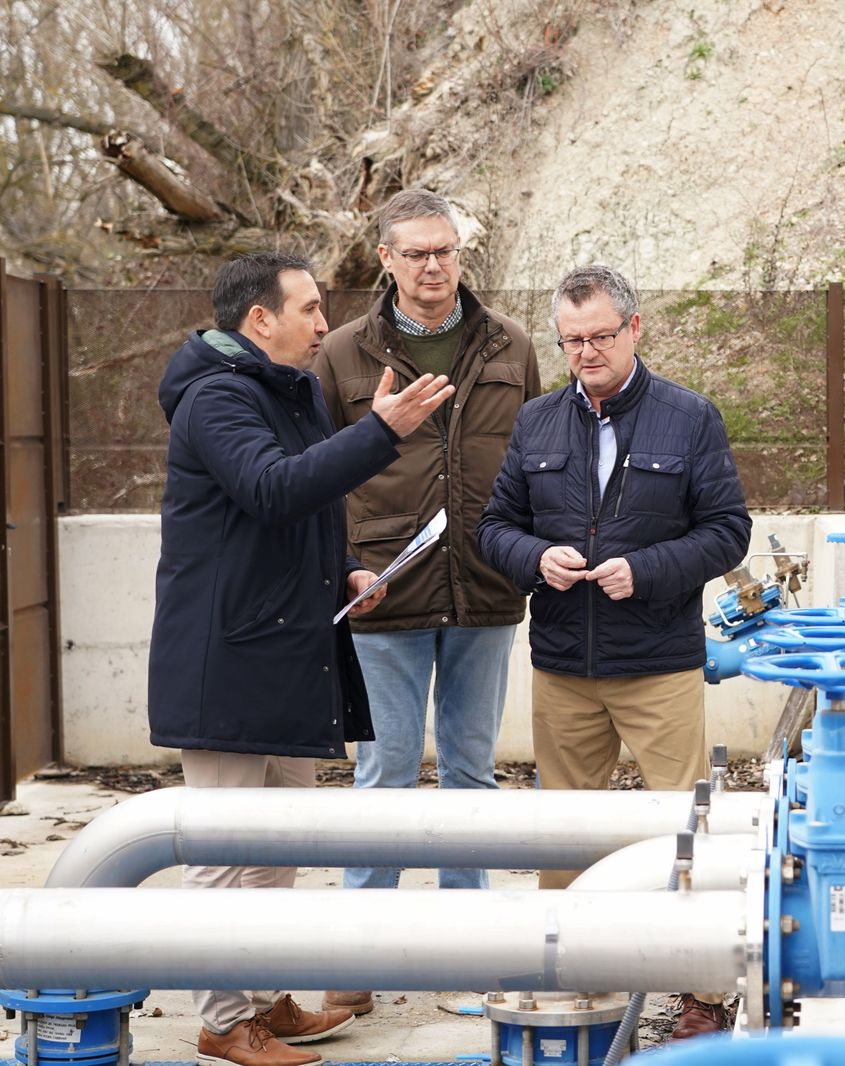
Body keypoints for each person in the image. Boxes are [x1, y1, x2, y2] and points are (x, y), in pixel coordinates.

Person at [148, 251, 453, 1066]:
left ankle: (263, 998)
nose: (325, 323)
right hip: (228, 659)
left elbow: (311, 507)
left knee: (278, 844)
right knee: (222, 853)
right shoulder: (215, 397)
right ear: (260, 319)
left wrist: (348, 568)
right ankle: (223, 1022)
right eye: (310, 308)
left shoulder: (290, 392)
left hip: (288, 650)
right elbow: (272, 488)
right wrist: (380, 432)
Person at [476, 264, 751, 1039]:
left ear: (634, 327)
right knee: (566, 835)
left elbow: (728, 531)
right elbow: (494, 528)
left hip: (658, 665)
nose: (586, 352)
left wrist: (648, 570)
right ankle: (574, 981)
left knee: (687, 830)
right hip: (564, 667)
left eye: (600, 335)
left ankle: (703, 995)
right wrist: (537, 558)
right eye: (572, 341)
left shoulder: (688, 418)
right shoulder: (536, 423)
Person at [311, 190, 540, 1017]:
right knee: (385, 774)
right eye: (415, 252)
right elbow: (319, 473)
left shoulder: (510, 343)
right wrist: (345, 567)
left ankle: (467, 952)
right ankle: (356, 960)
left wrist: (526, 554)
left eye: (444, 250)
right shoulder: (342, 353)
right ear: (387, 259)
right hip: (384, 589)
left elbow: (536, 458)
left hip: (484, 584)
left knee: (472, 774)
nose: (433, 265)